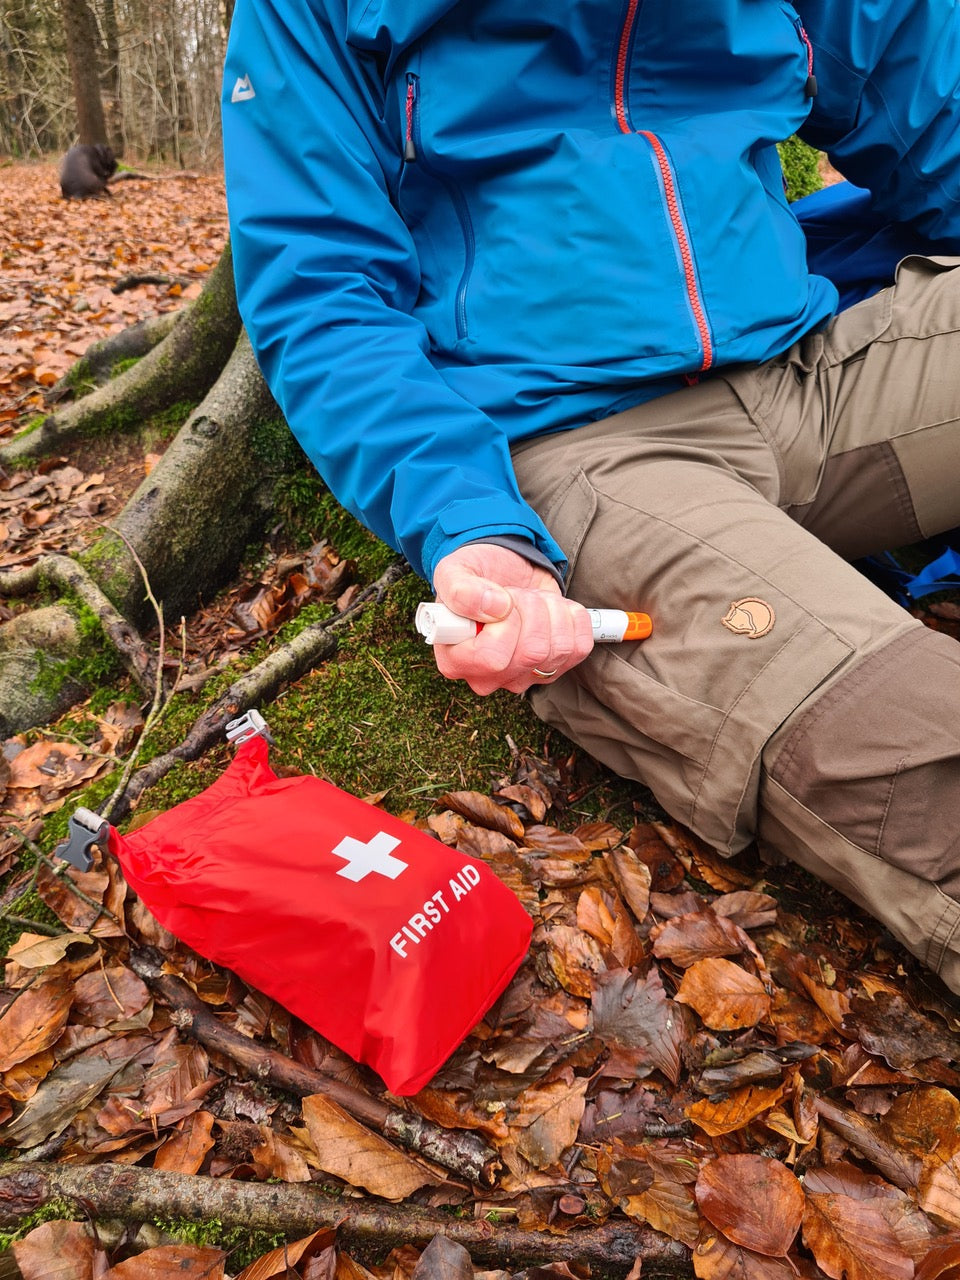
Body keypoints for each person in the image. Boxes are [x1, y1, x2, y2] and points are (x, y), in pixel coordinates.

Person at [221, 1, 960, 991]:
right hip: (583, 447)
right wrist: (465, 519)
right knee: (909, 742)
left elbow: (928, 96)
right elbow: (322, 289)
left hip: (812, 369)